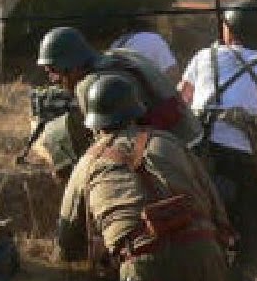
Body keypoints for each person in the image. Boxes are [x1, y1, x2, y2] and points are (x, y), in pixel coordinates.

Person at [57, 74, 235, 281]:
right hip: (202, 252)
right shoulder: (171, 143)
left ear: (94, 123)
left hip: (141, 266)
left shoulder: (87, 164)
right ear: (137, 111)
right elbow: (217, 211)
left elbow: (67, 242)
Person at [179, 0, 257, 281]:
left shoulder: (204, 57)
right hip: (240, 160)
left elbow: (181, 101)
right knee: (251, 223)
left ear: (228, 30)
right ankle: (243, 279)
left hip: (196, 153)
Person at [35, 26, 202, 172]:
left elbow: (105, 146)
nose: (52, 79)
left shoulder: (89, 86)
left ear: (70, 67)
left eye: (52, 71)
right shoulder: (123, 55)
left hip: (173, 154)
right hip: (192, 135)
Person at [109, 16, 179, 82]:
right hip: (144, 93)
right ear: (153, 25)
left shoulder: (117, 43)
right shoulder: (154, 39)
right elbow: (172, 73)